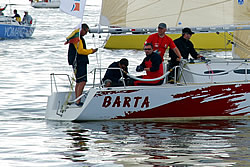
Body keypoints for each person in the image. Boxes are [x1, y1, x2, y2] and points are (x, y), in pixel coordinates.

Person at [65, 23, 98, 107]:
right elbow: (80, 51)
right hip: (79, 62)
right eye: (86, 31)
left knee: (79, 81)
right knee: (82, 81)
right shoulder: (78, 38)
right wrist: (91, 51)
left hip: (77, 62)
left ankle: (77, 99)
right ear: (82, 29)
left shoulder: (76, 37)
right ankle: (78, 101)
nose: (86, 33)